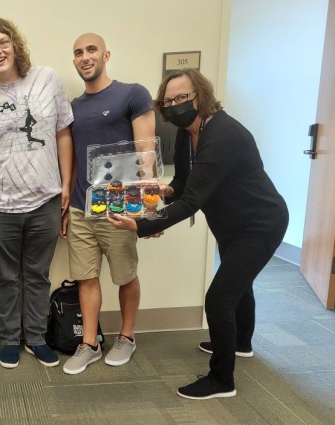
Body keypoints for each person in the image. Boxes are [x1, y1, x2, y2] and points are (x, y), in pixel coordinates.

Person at [108, 68, 288, 400]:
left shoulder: (222, 134)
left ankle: (222, 381)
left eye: (182, 98)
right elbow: (183, 187)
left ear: (200, 95)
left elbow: (192, 201)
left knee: (219, 299)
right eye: (168, 100)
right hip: (232, 225)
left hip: (260, 225)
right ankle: (241, 343)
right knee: (238, 284)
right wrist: (161, 190)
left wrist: (142, 224)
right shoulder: (186, 133)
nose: (175, 105)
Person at [0, 18, 73, 369]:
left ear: (15, 44)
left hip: (44, 199)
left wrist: (66, 185)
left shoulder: (47, 79)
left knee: (38, 274)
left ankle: (37, 337)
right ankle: (10, 338)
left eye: (2, 42)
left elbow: (63, 134)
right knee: (5, 277)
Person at [62, 33, 155, 375]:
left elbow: (146, 152)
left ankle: (127, 337)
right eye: (78, 53)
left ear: (106, 55)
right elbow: (71, 159)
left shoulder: (132, 94)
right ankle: (89, 344)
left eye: (91, 50)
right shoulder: (72, 108)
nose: (84, 57)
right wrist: (66, 200)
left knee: (125, 275)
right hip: (80, 206)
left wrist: (150, 210)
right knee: (86, 277)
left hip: (119, 206)